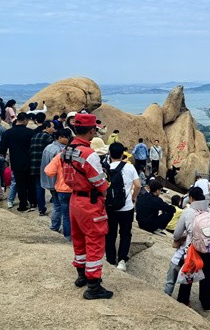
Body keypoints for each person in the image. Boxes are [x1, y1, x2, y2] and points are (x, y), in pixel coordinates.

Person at [60, 113, 112, 300]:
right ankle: (93, 286)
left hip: (74, 200)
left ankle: (81, 275)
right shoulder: (89, 154)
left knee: (79, 238)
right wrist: (105, 195)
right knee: (95, 241)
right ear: (91, 130)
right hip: (89, 203)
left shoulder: (67, 150)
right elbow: (100, 183)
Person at [172, 187, 210, 310]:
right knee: (207, 274)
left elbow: (176, 234)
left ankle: (183, 300)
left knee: (188, 273)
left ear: (191, 198)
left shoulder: (188, 212)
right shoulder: (209, 211)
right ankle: (207, 303)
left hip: (194, 249)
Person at [105, 142, 141, 272]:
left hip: (109, 207)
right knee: (125, 234)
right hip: (126, 208)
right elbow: (138, 185)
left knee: (110, 234)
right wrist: (133, 198)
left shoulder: (106, 167)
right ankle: (121, 260)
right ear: (122, 154)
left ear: (109, 154)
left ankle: (110, 258)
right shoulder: (130, 167)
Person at [0, 112, 35, 212]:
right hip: (29, 161)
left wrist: (5, 157)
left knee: (20, 184)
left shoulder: (8, 132)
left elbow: (2, 148)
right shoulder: (31, 132)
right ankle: (32, 202)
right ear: (25, 120)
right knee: (30, 183)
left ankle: (23, 204)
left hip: (16, 162)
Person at [42, 129, 72, 239]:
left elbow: (48, 170)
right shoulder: (61, 151)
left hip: (56, 185)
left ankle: (56, 228)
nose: (68, 140)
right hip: (68, 187)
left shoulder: (48, 148)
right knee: (68, 214)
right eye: (66, 137)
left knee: (58, 207)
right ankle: (70, 235)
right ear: (59, 137)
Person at [30, 120, 56, 216]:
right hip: (45, 166)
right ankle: (56, 203)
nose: (54, 129)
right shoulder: (48, 138)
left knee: (39, 187)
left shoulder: (34, 136)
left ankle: (41, 209)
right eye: (52, 127)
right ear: (47, 127)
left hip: (34, 165)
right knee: (52, 185)